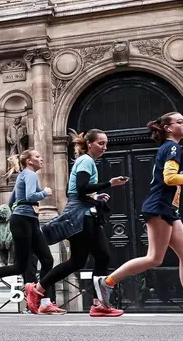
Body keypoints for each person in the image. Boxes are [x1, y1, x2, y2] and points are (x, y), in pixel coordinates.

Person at [94, 113, 183, 322]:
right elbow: (170, 178)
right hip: (160, 207)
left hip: (169, 209)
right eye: (180, 122)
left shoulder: (171, 148)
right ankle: (107, 282)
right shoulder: (171, 147)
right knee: (154, 258)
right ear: (168, 128)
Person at [39, 129, 129, 316]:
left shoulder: (85, 162)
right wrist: (109, 184)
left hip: (82, 212)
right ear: (89, 143)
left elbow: (73, 191)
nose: (105, 147)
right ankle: (99, 304)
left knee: (80, 260)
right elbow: (80, 189)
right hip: (82, 215)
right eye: (101, 143)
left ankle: (40, 288)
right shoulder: (86, 161)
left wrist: (96, 197)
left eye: (106, 143)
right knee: (100, 256)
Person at [0, 149, 55, 312]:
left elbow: (12, 201)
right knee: (28, 264)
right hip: (24, 221)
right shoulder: (29, 175)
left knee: (43, 260)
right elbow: (29, 196)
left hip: (26, 220)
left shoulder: (22, 176)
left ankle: (44, 302)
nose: (41, 158)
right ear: (29, 161)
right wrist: (45, 193)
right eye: (37, 156)